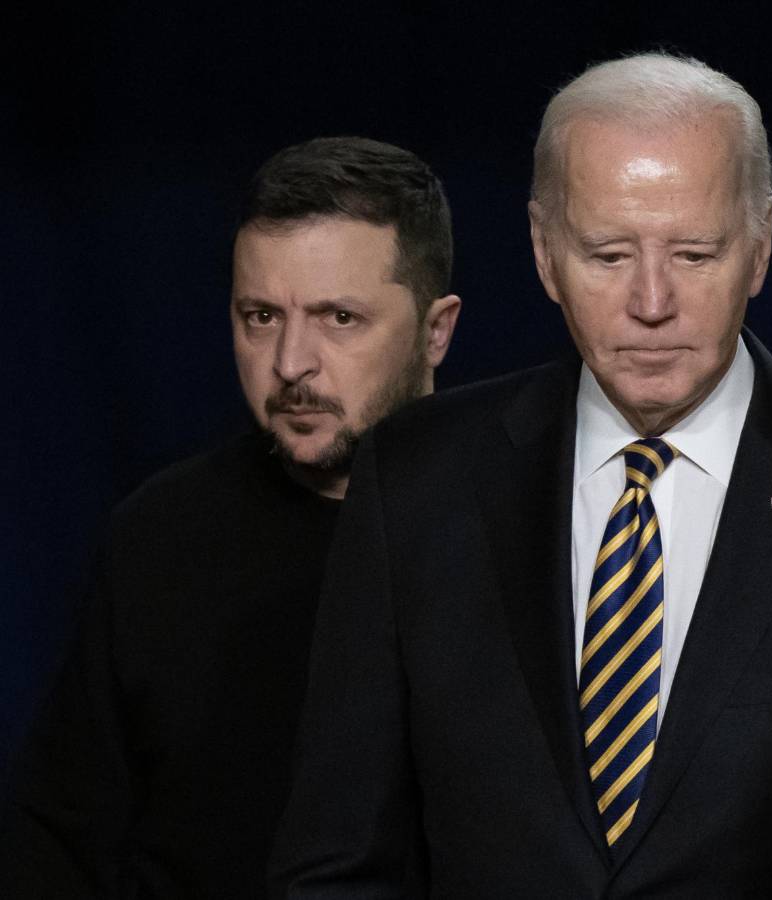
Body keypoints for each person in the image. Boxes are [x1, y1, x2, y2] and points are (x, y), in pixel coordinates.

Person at [271, 56, 772, 898]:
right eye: (608, 254)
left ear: (760, 248)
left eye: (695, 254)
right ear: (544, 254)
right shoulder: (415, 481)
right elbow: (337, 860)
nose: (652, 301)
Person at [0, 137, 460, 898]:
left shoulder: (515, 527)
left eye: (339, 318)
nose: (290, 363)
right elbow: (55, 831)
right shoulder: (161, 535)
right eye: (260, 317)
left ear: (436, 330)